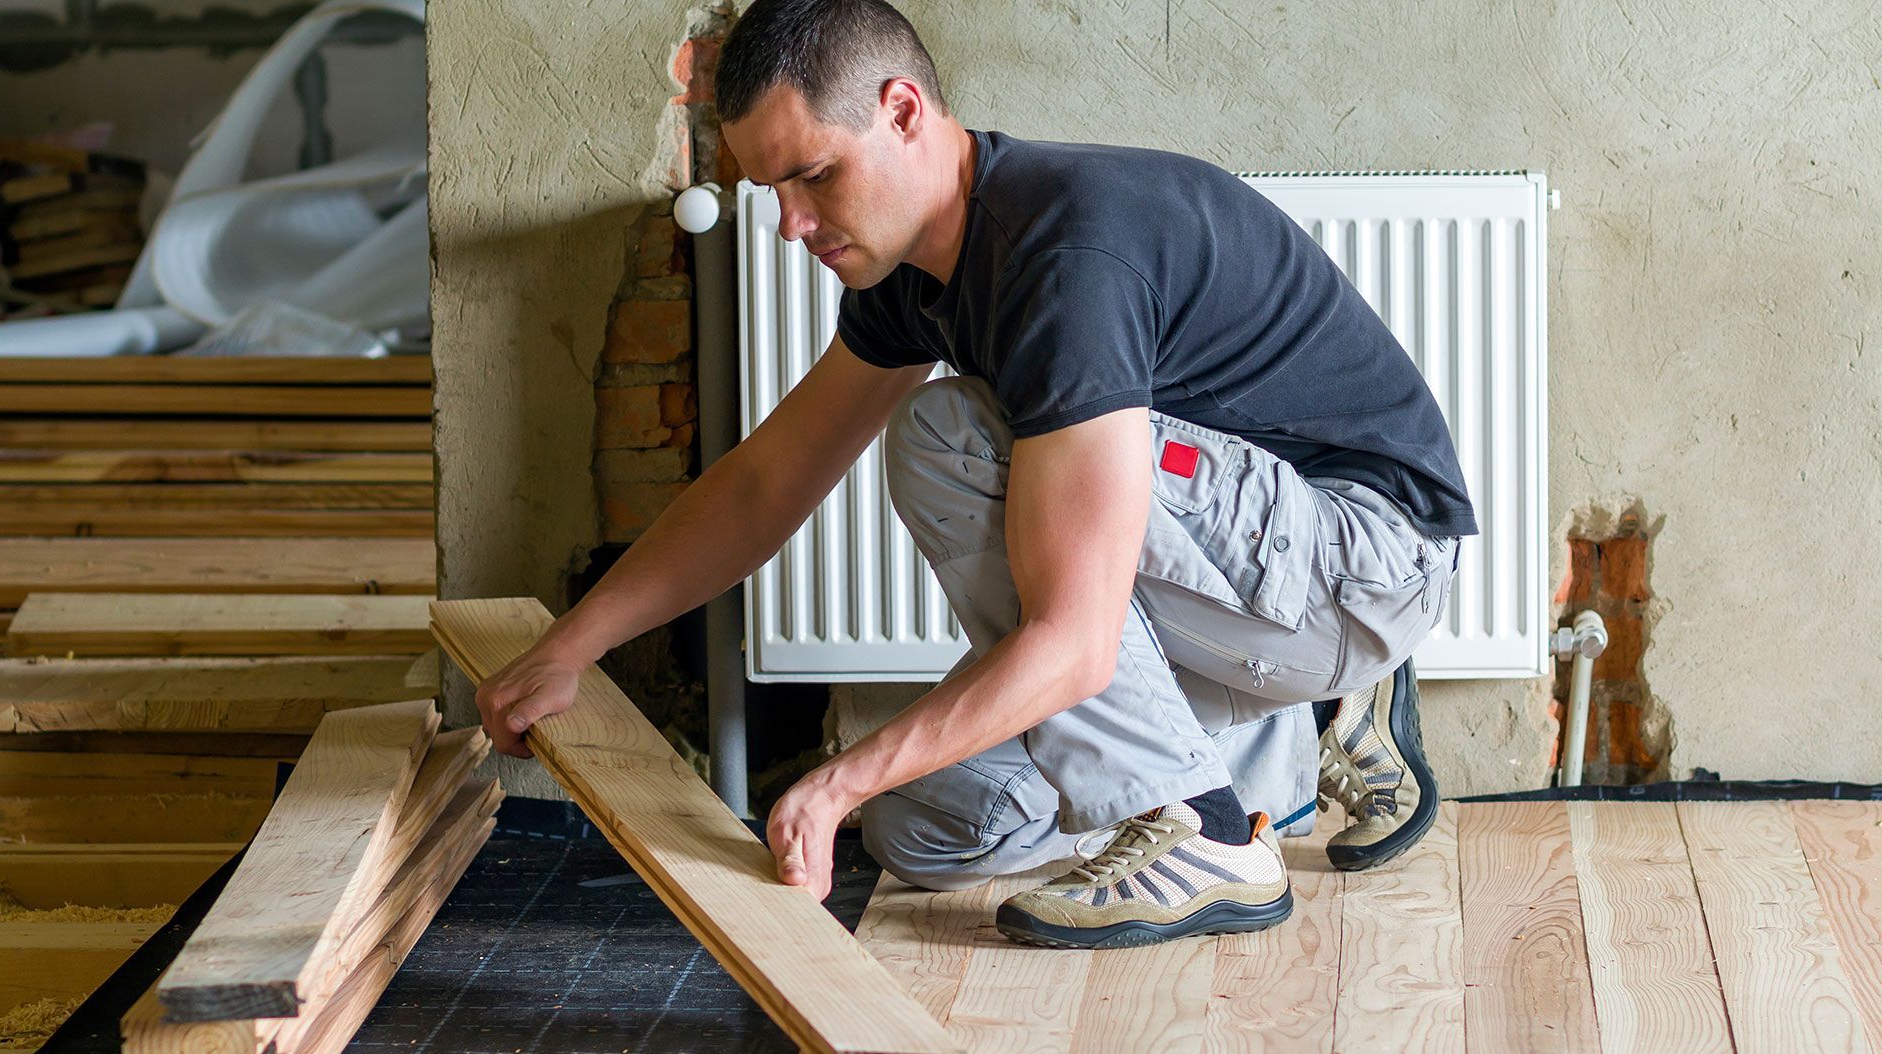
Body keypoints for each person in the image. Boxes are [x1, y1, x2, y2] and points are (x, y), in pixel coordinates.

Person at [472, 0, 1476, 949]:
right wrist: (574, 647)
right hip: (1247, 590)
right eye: (769, 190)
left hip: (1363, 562)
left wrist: (837, 780)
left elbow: (1075, 643)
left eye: (813, 176)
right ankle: (1286, 750)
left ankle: (1207, 825)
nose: (790, 224)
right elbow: (765, 483)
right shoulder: (910, 273)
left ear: (903, 112)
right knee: (925, 825)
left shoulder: (1065, 253)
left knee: (948, 432)